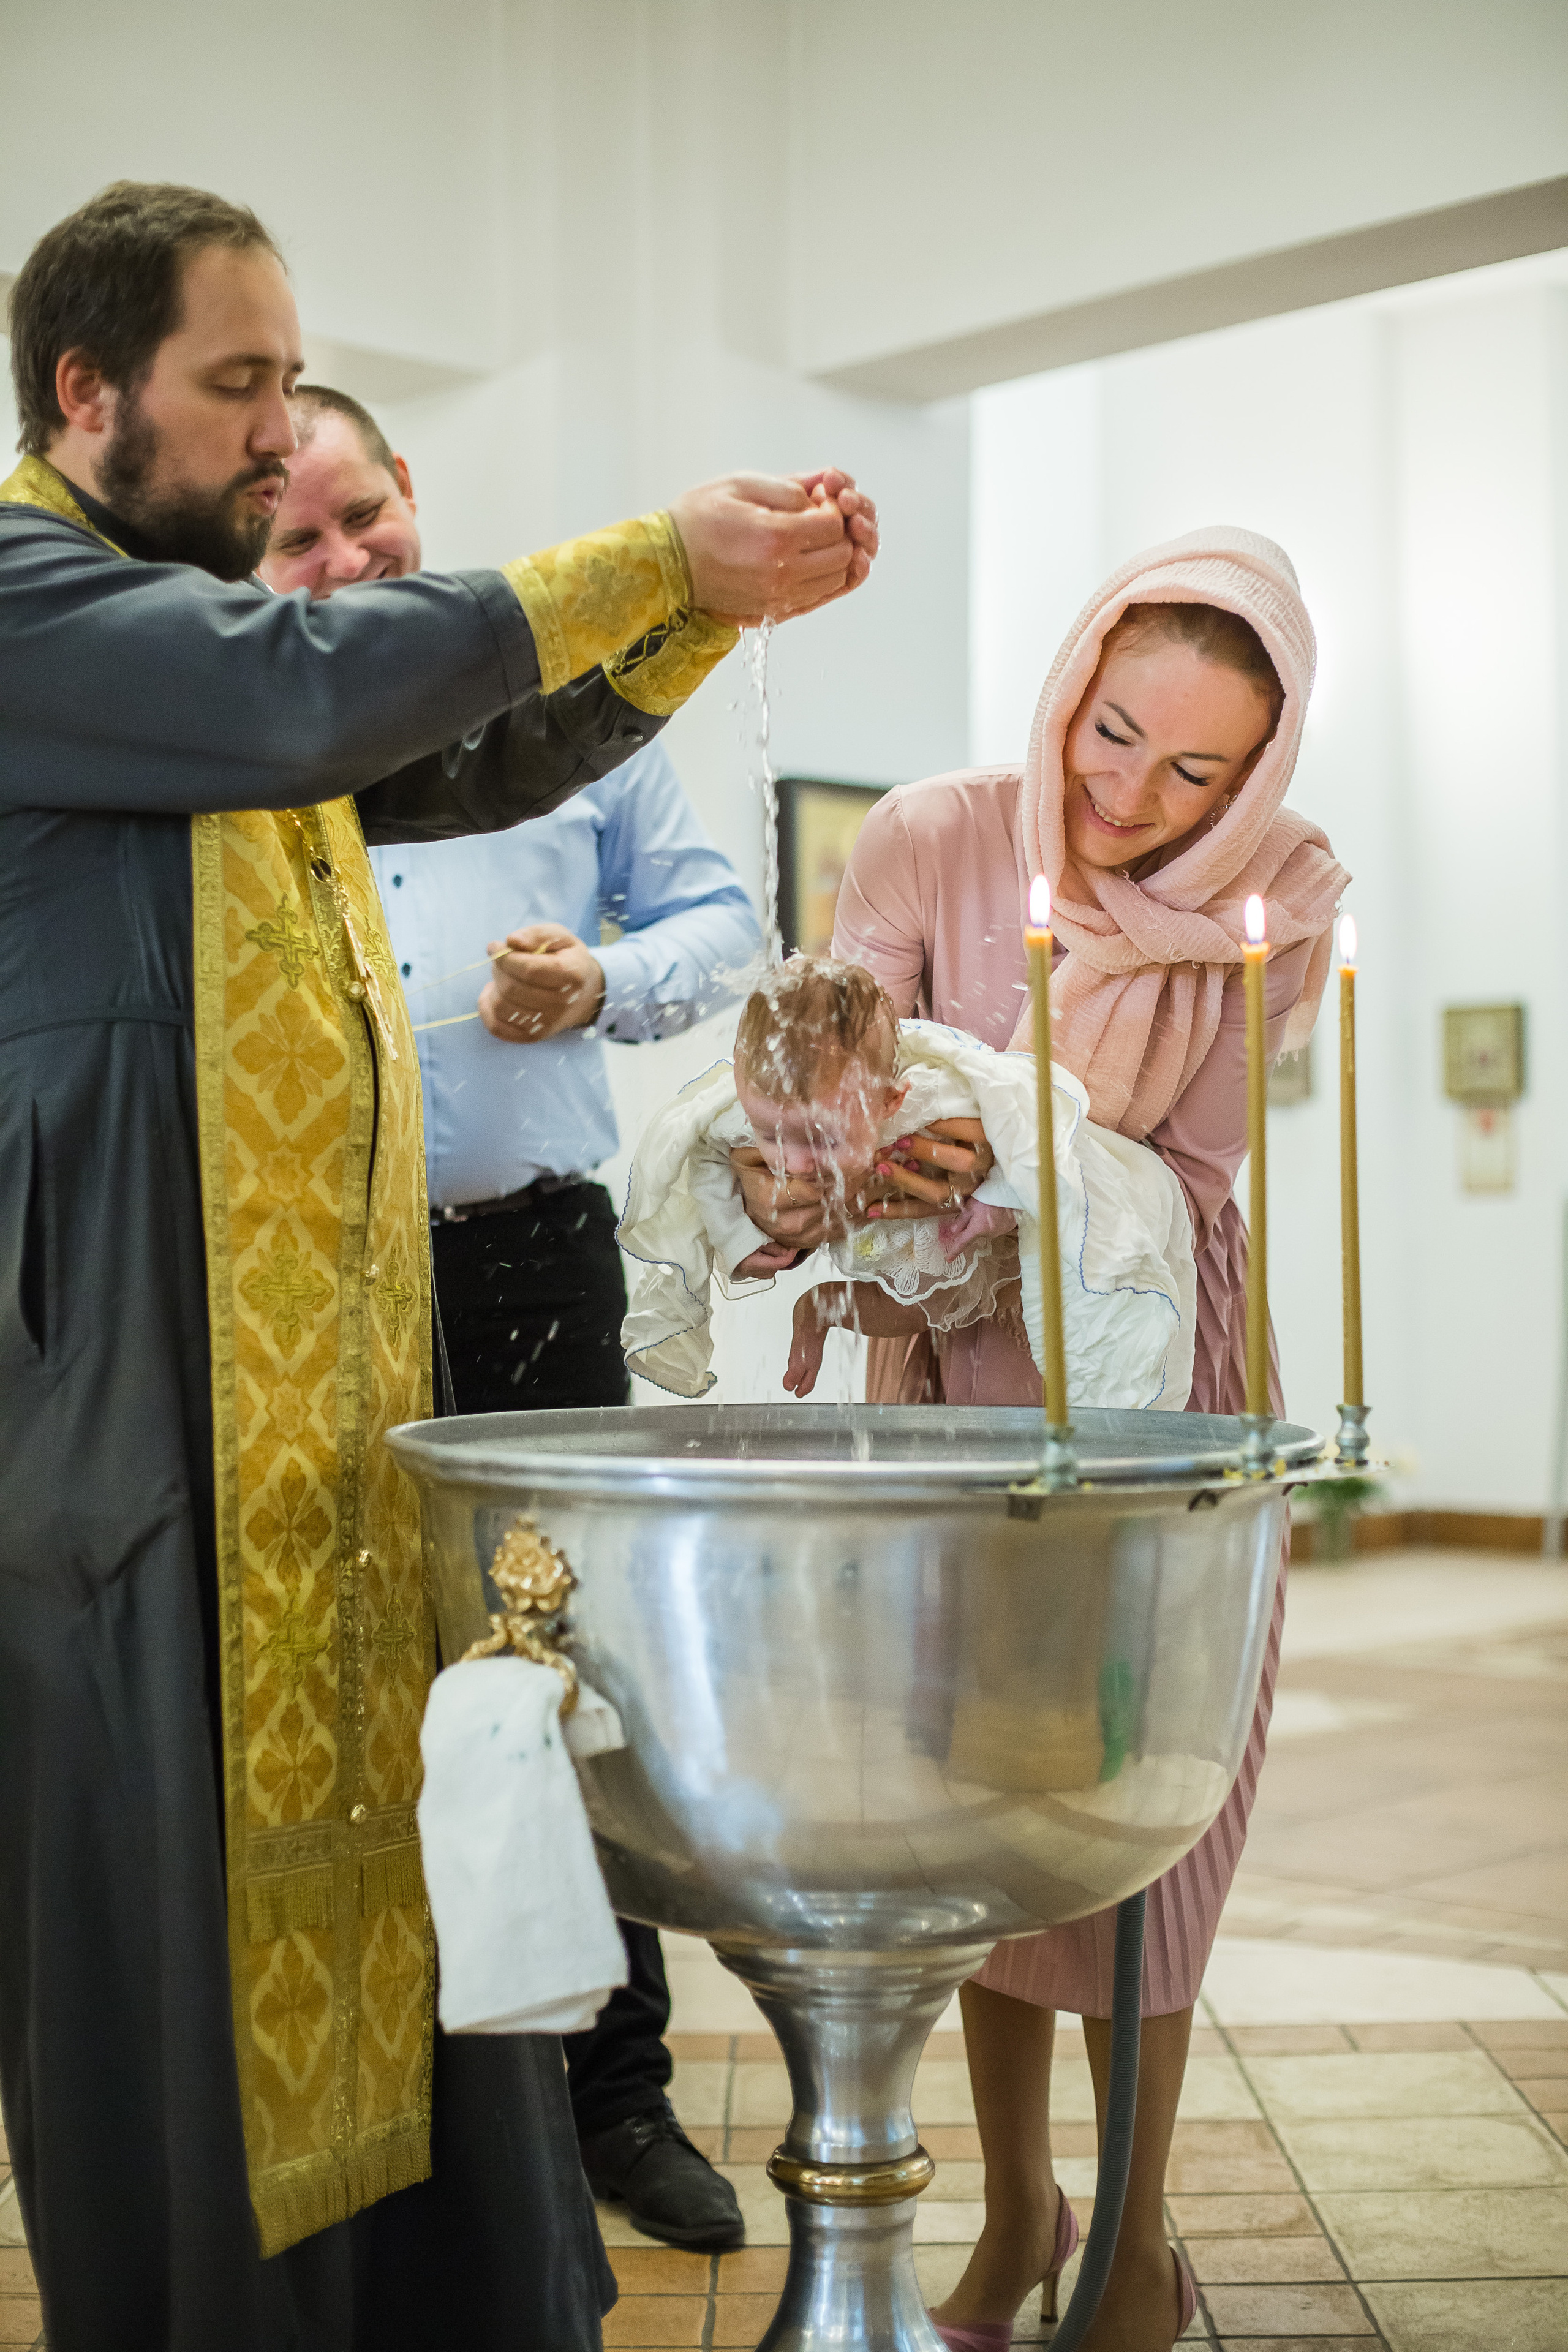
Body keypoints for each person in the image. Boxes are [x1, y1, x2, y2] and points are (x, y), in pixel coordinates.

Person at [0, 178, 876, 2352]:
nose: (281, 442)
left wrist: (695, 615)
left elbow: (457, 751)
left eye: (293, 390)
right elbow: (309, 684)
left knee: (418, 1901)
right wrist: (647, 553)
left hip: (313, 1437)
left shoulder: (197, 659)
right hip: (142, 1441)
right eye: (238, 389)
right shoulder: (39, 604)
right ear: (80, 392)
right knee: (191, 1973)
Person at [737, 530, 1346, 2351]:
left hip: (1154, 1353)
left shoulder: (1279, 900)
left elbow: (1188, 1162)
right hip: (950, 1356)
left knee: (1150, 1799)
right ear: (1072, 679)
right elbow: (829, 1083)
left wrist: (1016, 1140)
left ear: (1261, 772)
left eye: (1196, 770)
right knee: (975, 1811)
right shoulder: (934, 832)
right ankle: (1013, 2218)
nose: (1133, 796)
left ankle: (1135, 2239)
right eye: (1112, 733)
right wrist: (860, 1142)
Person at [260, 385, 761, 2252]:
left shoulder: (556, 698)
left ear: (416, 492)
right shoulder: (258, 729)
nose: (346, 560)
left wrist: (608, 976)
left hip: (530, 1251)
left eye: (366, 514)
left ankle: (617, 2098)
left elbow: (723, 924)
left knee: (572, 1673)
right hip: (304, 1281)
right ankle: (438, 2105)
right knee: (363, 1671)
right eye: (300, 538)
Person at [616, 954, 1195, 1416]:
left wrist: (997, 1202)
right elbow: (703, 1153)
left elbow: (1031, 1127)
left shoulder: (934, 1100)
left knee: (940, 1305)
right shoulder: (765, 1106)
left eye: (821, 1139)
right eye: (772, 1135)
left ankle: (826, 1308)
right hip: (889, 1257)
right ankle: (820, 1310)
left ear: (890, 1101)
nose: (793, 1162)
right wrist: (737, 1233)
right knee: (903, 1304)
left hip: (971, 1252)